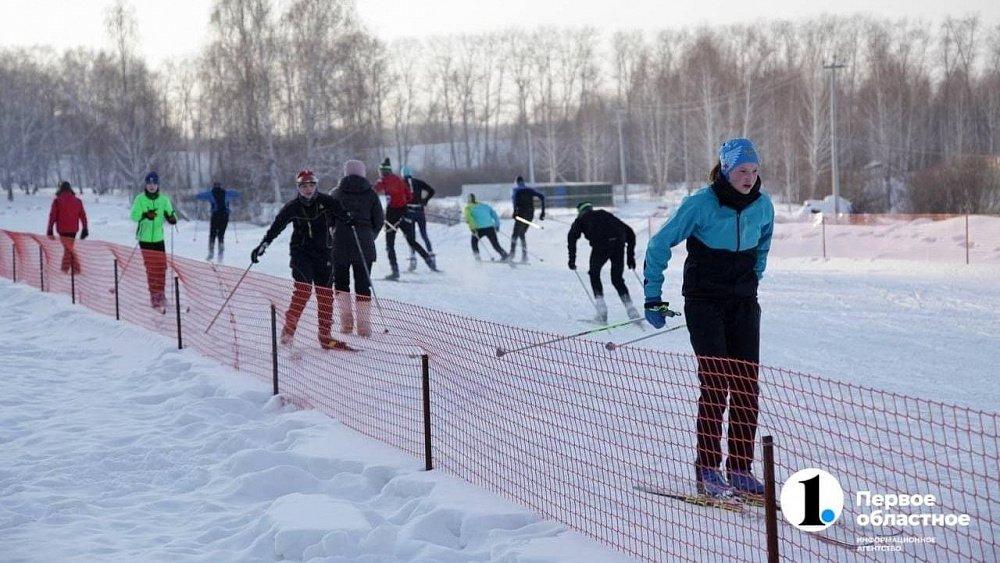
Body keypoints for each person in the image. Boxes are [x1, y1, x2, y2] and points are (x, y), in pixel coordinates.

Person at [642, 138, 774, 498]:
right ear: (726, 170)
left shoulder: (763, 206)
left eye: (754, 171)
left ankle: (740, 469)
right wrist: (653, 296)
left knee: (746, 386)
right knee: (716, 384)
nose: (749, 178)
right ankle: (707, 469)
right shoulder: (700, 204)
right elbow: (658, 244)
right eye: (742, 171)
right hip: (704, 303)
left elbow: (762, 246)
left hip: (744, 303)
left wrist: (751, 279)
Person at [251, 170, 353, 350]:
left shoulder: (326, 201)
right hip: (301, 254)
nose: (308, 189)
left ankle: (325, 336)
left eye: (311, 185)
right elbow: (277, 226)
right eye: (304, 186)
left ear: (316, 186)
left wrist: (349, 219)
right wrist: (263, 244)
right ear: (299, 188)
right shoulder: (293, 207)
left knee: (325, 295)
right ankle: (288, 333)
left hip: (323, 254)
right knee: (303, 291)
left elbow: (342, 213)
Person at [329, 160, 383, 336]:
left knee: (341, 283)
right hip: (364, 244)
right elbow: (379, 221)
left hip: (340, 244)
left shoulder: (335, 194)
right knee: (363, 284)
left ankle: (346, 324)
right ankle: (364, 327)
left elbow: (328, 220)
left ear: (345, 173)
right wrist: (369, 235)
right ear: (363, 173)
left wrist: (334, 232)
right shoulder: (371, 194)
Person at [567, 202, 638, 323]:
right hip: (618, 244)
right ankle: (631, 310)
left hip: (601, 246)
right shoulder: (605, 214)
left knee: (594, 274)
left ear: (580, 212)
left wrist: (572, 260)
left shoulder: (580, 219)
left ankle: (602, 311)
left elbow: (572, 237)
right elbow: (630, 233)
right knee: (617, 279)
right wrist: (630, 257)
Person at [373, 158, 435, 280]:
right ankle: (428, 260)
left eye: (380, 171)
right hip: (405, 213)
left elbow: (373, 190)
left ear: (382, 171)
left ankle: (395, 270)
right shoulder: (399, 180)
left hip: (392, 215)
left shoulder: (384, 180)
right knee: (411, 240)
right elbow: (409, 195)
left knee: (390, 244)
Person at [130, 172, 178, 312]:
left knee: (161, 267)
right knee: (152, 269)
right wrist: (145, 215)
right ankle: (154, 296)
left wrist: (172, 218)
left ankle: (161, 294)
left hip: (158, 239)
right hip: (145, 240)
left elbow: (171, 213)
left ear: (158, 185)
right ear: (146, 184)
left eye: (154, 183)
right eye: (149, 183)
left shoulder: (163, 199)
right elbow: (134, 216)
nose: (151, 186)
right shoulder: (140, 199)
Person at [46, 181, 89, 274]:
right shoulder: (78, 201)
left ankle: (66, 270)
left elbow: (52, 216)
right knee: (69, 248)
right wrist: (85, 228)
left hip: (62, 230)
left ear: (61, 189)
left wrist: (50, 229)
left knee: (68, 249)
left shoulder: (57, 201)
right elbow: (83, 215)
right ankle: (74, 269)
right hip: (73, 229)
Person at [195, 181, 241, 262]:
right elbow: (237, 193)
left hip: (215, 216)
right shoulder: (227, 193)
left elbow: (199, 196)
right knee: (221, 235)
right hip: (225, 216)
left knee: (212, 234)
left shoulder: (210, 194)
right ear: (220, 186)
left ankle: (211, 253)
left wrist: (197, 195)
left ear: (213, 186)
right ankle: (220, 254)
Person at [400, 166, 435, 272]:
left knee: (411, 237)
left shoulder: (401, 183)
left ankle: (413, 260)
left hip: (408, 212)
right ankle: (432, 257)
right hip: (420, 212)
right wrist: (425, 200)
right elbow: (431, 191)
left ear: (402, 174)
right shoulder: (418, 182)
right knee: (424, 235)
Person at [509, 175, 545, 263]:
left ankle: (511, 255)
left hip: (521, 215)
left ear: (517, 182)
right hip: (530, 215)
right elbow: (542, 197)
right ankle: (524, 256)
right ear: (523, 182)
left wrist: (514, 212)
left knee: (514, 235)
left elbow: (515, 202)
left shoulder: (516, 190)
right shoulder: (530, 190)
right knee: (521, 234)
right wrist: (542, 212)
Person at [463, 194, 508, 261]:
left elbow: (469, 219)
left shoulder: (468, 208)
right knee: (495, 244)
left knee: (474, 242)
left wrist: (472, 229)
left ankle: (477, 257)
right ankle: (505, 255)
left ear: (468, 200)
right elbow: (494, 214)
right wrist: (497, 225)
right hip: (490, 227)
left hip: (479, 229)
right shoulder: (485, 206)